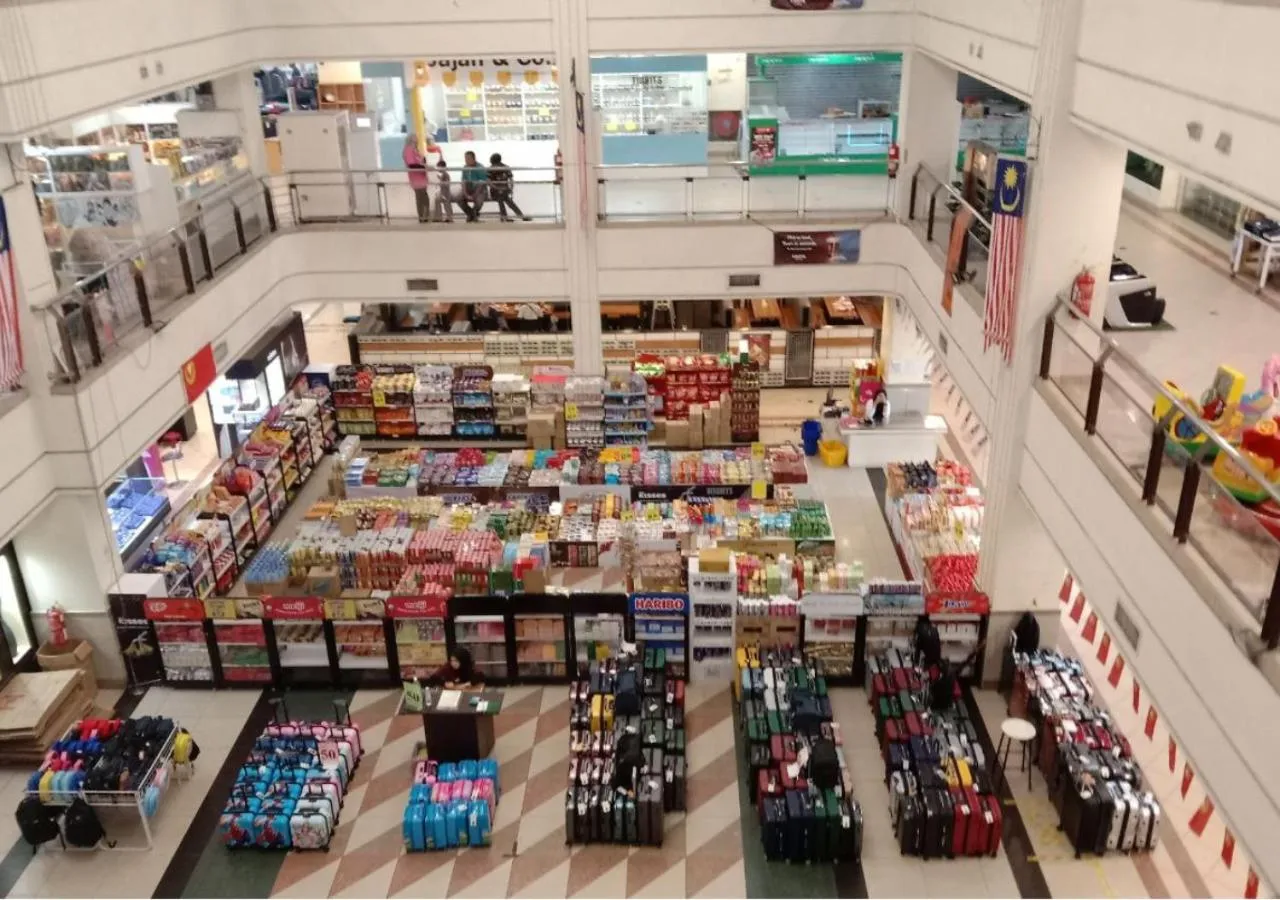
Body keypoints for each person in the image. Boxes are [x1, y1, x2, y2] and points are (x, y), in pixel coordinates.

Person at [487, 153, 530, 222]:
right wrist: (498, 188)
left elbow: (511, 180)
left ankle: (505, 217)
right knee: (503, 198)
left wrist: (510, 188)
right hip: (495, 191)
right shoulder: (490, 169)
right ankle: (518, 215)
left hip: (504, 190)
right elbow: (489, 182)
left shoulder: (505, 167)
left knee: (504, 197)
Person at [402, 133, 429, 223]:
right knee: (421, 198)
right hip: (416, 178)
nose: (417, 139)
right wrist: (425, 167)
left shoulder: (416, 150)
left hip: (422, 177)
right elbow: (411, 164)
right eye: (415, 137)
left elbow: (420, 161)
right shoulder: (408, 150)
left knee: (424, 198)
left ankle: (425, 217)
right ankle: (422, 217)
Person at [459, 151, 488, 222]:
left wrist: (475, 195)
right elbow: (463, 182)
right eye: (465, 158)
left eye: (468, 158)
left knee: (479, 202)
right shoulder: (465, 168)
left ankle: (472, 215)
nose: (466, 160)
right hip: (469, 188)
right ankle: (472, 214)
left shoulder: (480, 167)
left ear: (473, 158)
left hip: (480, 190)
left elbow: (482, 183)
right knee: (459, 199)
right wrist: (465, 193)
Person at [430, 158, 454, 223]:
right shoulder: (442, 174)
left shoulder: (446, 174)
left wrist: (440, 180)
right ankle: (438, 217)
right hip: (442, 192)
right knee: (437, 201)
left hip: (446, 192)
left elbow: (447, 184)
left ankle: (449, 218)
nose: (438, 169)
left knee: (447, 205)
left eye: (439, 167)